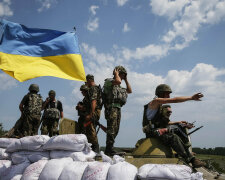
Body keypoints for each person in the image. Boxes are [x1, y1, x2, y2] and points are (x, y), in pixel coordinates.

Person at [142, 84, 206, 168]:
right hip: (152, 132)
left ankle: (187, 150)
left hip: (159, 129)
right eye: (167, 94)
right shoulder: (155, 102)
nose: (169, 96)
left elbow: (163, 123)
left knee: (179, 126)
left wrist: (178, 122)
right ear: (161, 93)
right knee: (173, 137)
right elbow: (174, 100)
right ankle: (191, 159)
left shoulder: (159, 107)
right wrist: (191, 98)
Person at [103, 66, 132, 155]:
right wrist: (116, 74)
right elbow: (118, 81)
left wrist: (126, 80)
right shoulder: (109, 82)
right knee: (111, 129)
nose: (123, 77)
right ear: (118, 73)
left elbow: (129, 91)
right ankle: (109, 149)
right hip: (111, 108)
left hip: (118, 108)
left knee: (116, 129)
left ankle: (110, 147)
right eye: (122, 74)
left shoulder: (119, 87)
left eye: (124, 75)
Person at [84, 74, 102, 153]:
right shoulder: (94, 88)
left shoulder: (93, 88)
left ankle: (95, 148)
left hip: (94, 111)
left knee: (91, 128)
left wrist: (91, 113)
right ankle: (93, 148)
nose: (85, 82)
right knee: (90, 128)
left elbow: (93, 101)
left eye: (86, 81)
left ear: (89, 80)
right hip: (94, 110)